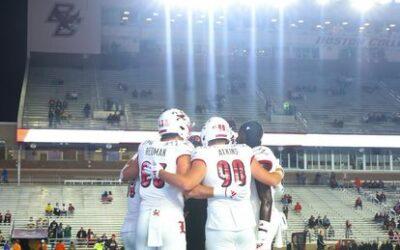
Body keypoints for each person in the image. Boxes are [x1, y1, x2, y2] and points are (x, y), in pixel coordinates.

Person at [150, 117, 284, 250]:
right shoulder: (245, 151)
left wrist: (160, 172)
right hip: (246, 226)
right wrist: (279, 171)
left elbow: (188, 187)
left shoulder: (203, 153)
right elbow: (272, 180)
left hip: (219, 225)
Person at [121, 109, 194, 250]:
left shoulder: (145, 146)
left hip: (145, 215)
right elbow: (185, 184)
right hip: (170, 213)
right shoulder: (184, 147)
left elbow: (127, 174)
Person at [236, 121, 287, 250]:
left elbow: (266, 198)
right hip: (252, 215)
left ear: (248, 135)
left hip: (260, 218)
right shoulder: (249, 152)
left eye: (240, 134)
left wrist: (262, 231)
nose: (237, 137)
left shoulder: (260, 154)